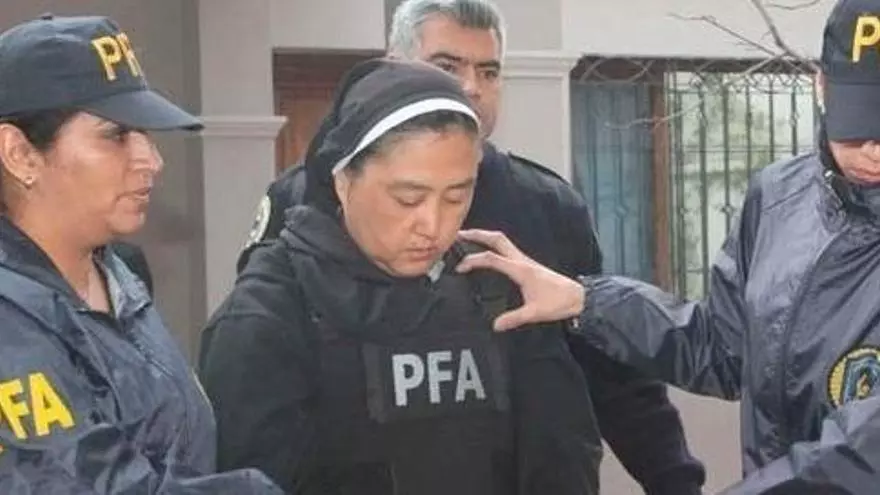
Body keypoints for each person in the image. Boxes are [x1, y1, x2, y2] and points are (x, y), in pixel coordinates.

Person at [236, 1, 706, 493]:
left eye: (488, 71)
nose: (471, 87)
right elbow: (256, 382)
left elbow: (614, 374)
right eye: (447, 66)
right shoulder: (304, 201)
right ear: (394, 65)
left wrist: (674, 479)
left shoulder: (545, 206)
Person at [455, 0, 880, 493]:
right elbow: (723, 351)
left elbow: (864, 452)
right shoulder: (780, 198)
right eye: (859, 125)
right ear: (821, 87)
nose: (874, 149)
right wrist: (586, 302)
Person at [198, 58, 602, 495]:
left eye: (456, 197)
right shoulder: (265, 319)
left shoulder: (499, 290)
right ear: (343, 181)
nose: (433, 225)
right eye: (408, 199)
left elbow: (564, 460)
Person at [0, 14, 282, 494]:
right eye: (115, 135)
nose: (152, 160)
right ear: (20, 154)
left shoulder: (120, 274)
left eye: (146, 136)